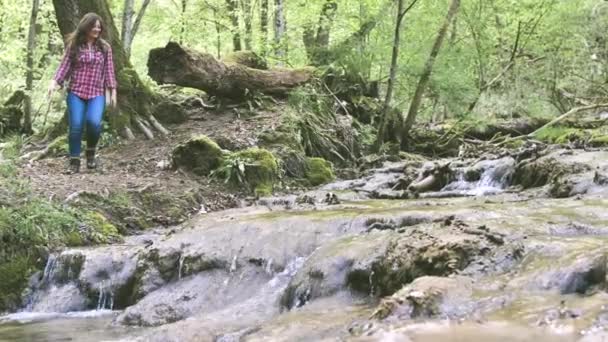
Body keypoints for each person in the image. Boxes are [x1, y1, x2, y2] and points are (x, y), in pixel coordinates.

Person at [48, 12, 117, 174]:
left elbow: (109, 71)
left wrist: (113, 91)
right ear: (86, 27)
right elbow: (64, 66)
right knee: (76, 126)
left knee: (94, 123)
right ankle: (74, 162)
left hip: (96, 93)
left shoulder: (105, 47)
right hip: (76, 92)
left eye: (99, 27)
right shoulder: (74, 46)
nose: (97, 29)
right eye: (94, 26)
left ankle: (91, 153)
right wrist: (54, 82)